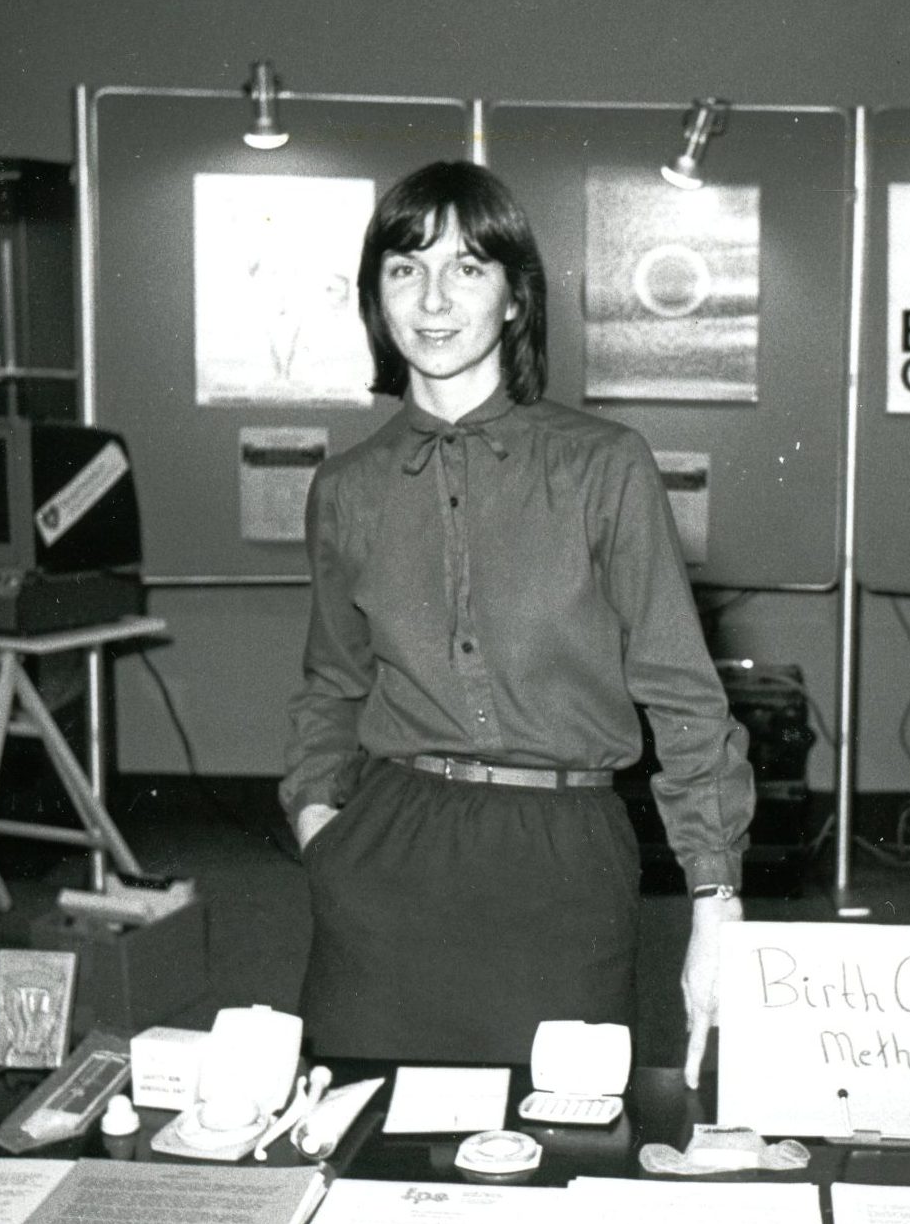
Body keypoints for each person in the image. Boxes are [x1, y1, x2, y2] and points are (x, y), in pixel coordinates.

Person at [281, 161, 752, 1086]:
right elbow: (331, 685)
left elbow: (685, 696)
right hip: (385, 858)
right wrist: (318, 824)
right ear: (377, 299)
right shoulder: (347, 488)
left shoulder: (604, 467)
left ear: (513, 298)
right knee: (366, 1157)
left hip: (563, 861)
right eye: (405, 269)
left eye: (467, 267)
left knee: (561, 1150)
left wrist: (715, 898)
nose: (434, 297)